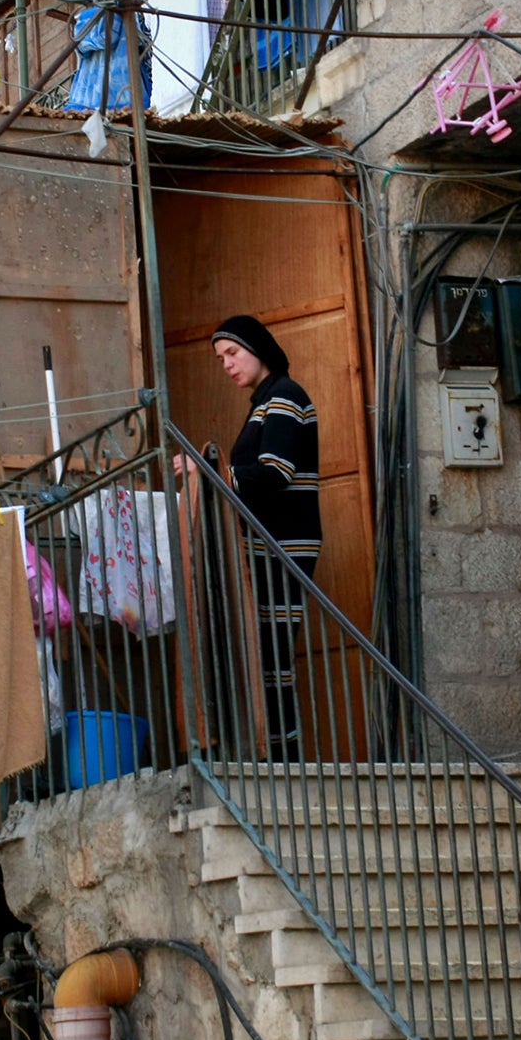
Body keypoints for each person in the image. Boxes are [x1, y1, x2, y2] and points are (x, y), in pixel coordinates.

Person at [210, 314, 320, 763]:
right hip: (270, 544)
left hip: (282, 547)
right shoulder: (264, 404)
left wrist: (214, 472)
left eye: (232, 353)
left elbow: (276, 472)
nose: (227, 365)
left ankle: (285, 767)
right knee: (265, 662)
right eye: (221, 359)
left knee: (272, 661)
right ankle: (277, 761)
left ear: (259, 349)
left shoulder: (285, 398)